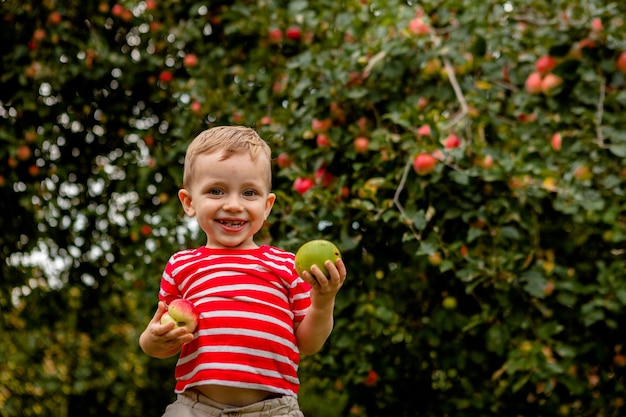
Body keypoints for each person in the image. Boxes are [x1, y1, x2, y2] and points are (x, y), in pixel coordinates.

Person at [139, 125, 347, 417]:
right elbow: (162, 340)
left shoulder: (286, 266)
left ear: (267, 205)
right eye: (216, 191)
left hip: (274, 409)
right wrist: (152, 339)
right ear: (188, 202)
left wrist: (324, 300)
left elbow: (309, 343)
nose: (233, 205)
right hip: (197, 407)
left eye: (249, 192)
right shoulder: (181, 265)